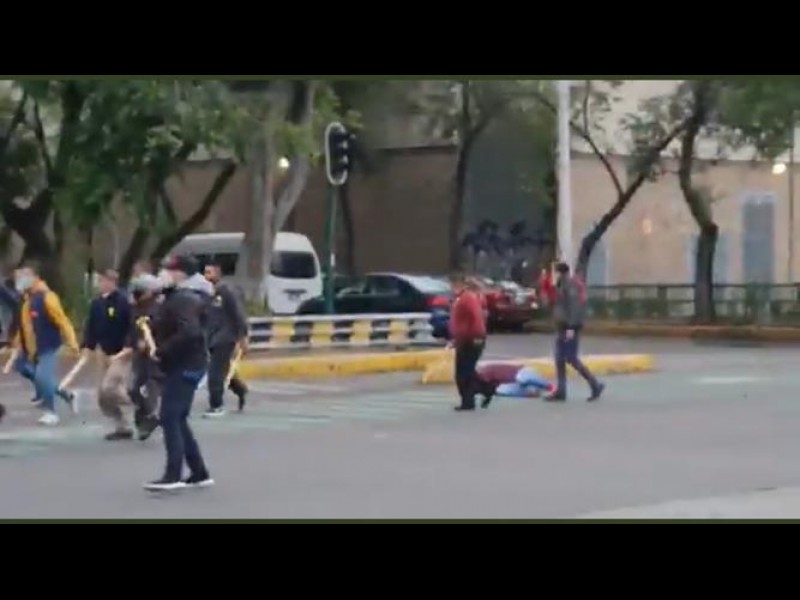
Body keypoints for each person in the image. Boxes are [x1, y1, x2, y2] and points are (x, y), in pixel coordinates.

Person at [145, 255, 212, 492]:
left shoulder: (184, 299)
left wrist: (163, 350)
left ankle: (173, 474)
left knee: (169, 416)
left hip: (186, 365)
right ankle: (199, 472)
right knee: (178, 418)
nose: (162, 274)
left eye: (168, 270)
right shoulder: (176, 298)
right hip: (184, 363)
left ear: (181, 274)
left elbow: (190, 332)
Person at [11, 261, 80, 425]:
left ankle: (51, 411)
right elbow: (25, 326)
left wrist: (72, 342)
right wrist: (17, 344)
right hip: (31, 347)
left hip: (47, 345)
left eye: (24, 276)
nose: (20, 280)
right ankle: (66, 395)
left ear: (35, 277)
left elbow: (62, 320)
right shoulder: (28, 300)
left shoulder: (47, 297)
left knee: (42, 376)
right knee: (24, 368)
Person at [82, 269, 134, 440]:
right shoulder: (96, 303)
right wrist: (87, 345)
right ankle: (122, 425)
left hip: (121, 352)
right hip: (103, 351)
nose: (102, 284)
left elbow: (131, 325)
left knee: (110, 387)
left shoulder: (123, 301)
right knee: (102, 396)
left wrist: (128, 346)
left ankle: (139, 404)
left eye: (105, 281)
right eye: (101, 281)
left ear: (113, 282)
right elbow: (91, 326)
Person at [544, 262, 604, 402]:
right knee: (559, 359)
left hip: (569, 327)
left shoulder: (570, 285)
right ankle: (561, 391)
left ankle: (595, 385)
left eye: (554, 272)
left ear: (560, 272)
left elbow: (575, 306)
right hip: (562, 326)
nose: (553, 275)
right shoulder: (561, 285)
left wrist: (571, 327)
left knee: (571, 358)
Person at [119, 274, 163, 441]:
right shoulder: (136, 309)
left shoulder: (159, 309)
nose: (136, 295)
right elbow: (132, 330)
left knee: (151, 386)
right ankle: (144, 417)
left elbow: (163, 330)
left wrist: (151, 343)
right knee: (133, 389)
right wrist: (131, 344)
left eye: (140, 291)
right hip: (139, 356)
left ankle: (150, 417)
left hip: (155, 355)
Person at [202, 260, 249, 416]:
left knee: (214, 372)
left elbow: (238, 314)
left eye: (209, 272)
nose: (206, 276)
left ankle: (216, 405)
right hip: (211, 337)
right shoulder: (209, 293)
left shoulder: (227, 291)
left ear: (218, 273)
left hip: (225, 337)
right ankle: (239, 388)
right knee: (221, 368)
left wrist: (242, 337)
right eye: (205, 273)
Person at [449, 273, 487, 412]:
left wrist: (477, 336)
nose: (452, 287)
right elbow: (459, 321)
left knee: (464, 372)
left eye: (454, 284)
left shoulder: (467, 298)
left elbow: (476, 318)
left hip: (471, 339)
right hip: (463, 339)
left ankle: (469, 400)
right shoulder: (460, 298)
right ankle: (482, 391)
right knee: (466, 371)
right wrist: (455, 338)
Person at [475, 363, 556, 408]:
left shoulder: (484, 372)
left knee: (522, 378)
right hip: (516, 383)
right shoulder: (485, 378)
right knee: (499, 390)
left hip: (522, 371)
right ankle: (532, 392)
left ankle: (550, 386)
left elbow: (484, 382)